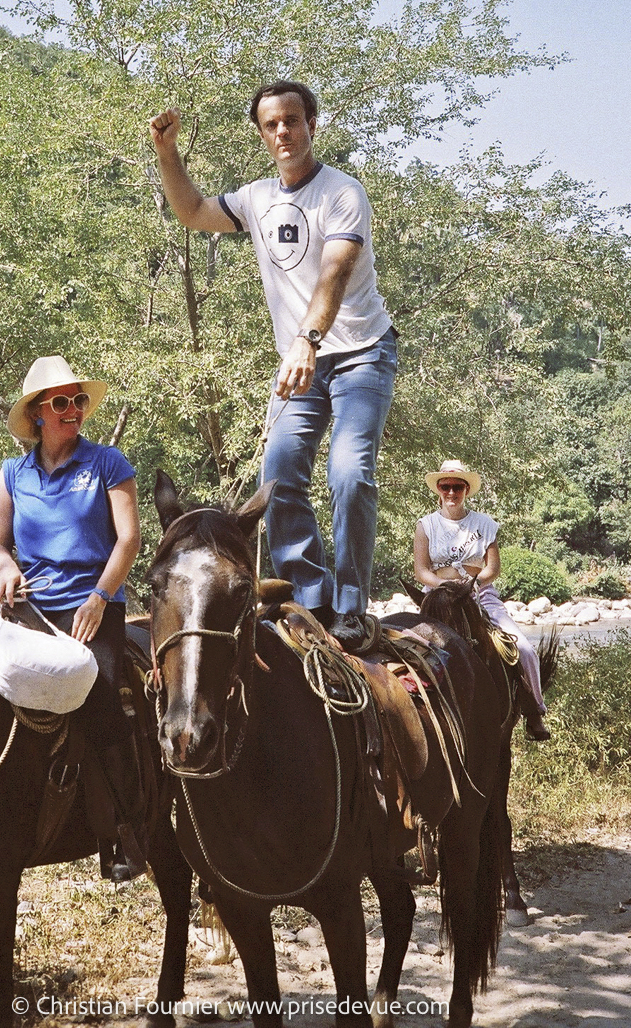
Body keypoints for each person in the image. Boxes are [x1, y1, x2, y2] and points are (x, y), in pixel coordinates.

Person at [149, 81, 397, 651]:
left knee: (350, 474)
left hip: (360, 353)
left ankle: (354, 609)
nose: (283, 132)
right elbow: (191, 211)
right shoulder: (257, 198)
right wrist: (168, 154)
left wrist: (308, 339)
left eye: (292, 120)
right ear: (262, 134)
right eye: (271, 125)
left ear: (312, 123)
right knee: (278, 478)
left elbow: (333, 274)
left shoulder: (342, 193)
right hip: (300, 362)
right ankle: (307, 601)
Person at [0, 354, 147, 879]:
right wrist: (4, 567)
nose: (74, 409)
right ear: (37, 413)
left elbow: (129, 539)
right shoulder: (12, 473)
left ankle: (125, 830)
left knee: (98, 699)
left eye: (78, 400)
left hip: (93, 605)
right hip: (29, 605)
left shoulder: (108, 463)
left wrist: (101, 595)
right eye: (62, 402)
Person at [413, 459, 550, 741]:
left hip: (479, 594)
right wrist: (444, 585)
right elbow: (421, 570)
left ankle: (534, 710)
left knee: (522, 648)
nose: (451, 492)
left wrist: (472, 584)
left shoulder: (484, 524)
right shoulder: (425, 525)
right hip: (438, 598)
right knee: (410, 647)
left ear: (466, 490)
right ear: (438, 490)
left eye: (457, 487)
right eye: (446, 486)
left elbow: (493, 568)